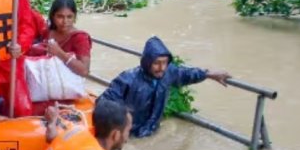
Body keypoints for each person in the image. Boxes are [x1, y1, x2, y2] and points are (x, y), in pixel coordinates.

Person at [99, 36, 232, 137]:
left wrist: (209, 74)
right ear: (147, 62)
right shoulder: (127, 79)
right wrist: (122, 123)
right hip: (129, 132)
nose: (162, 68)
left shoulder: (169, 72)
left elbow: (187, 74)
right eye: (157, 63)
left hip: (152, 129)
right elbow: (104, 102)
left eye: (165, 63)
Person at [29, 0, 91, 77]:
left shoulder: (80, 38)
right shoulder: (47, 32)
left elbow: (84, 71)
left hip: (67, 86)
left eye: (69, 17)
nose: (65, 21)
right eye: (60, 16)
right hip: (44, 81)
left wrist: (59, 53)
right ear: (53, 16)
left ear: (74, 17)